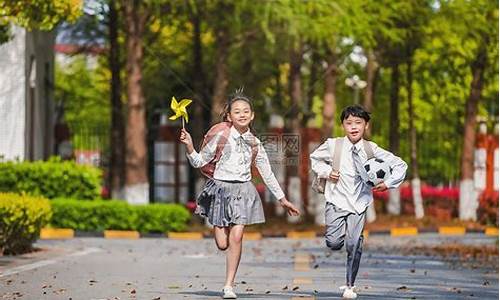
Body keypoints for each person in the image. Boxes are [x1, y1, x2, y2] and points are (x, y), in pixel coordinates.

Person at [179, 89, 300, 299]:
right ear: (229, 116)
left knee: (237, 236)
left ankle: (229, 285)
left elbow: (267, 173)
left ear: (252, 115)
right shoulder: (220, 136)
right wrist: (189, 146)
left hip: (244, 190)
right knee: (222, 243)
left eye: (246, 111)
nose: (242, 114)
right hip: (219, 190)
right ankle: (219, 229)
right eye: (237, 111)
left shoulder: (255, 143)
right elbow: (199, 162)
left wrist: (283, 199)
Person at [310, 105, 407, 299]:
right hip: (336, 200)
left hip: (359, 203)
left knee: (354, 243)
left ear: (366, 125)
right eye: (349, 123)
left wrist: (387, 183)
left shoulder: (372, 149)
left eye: (358, 123)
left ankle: (349, 285)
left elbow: (400, 164)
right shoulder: (333, 145)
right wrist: (328, 172)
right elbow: (315, 159)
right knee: (334, 242)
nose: (353, 127)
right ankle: (340, 241)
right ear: (343, 126)